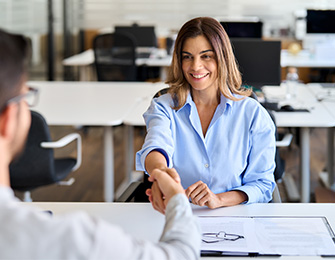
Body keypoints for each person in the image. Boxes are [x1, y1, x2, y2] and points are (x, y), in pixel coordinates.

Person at [0, 29, 200, 259]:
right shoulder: (72, 241)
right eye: (27, 97)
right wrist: (177, 199)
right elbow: (182, 254)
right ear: (8, 118)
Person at [136, 17, 276, 213]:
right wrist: (160, 172)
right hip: (177, 216)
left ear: (222, 58)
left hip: (234, 217)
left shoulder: (253, 114)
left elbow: (262, 185)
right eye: (187, 56)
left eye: (206, 56)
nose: (195, 66)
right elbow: (156, 145)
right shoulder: (163, 107)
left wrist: (218, 199)